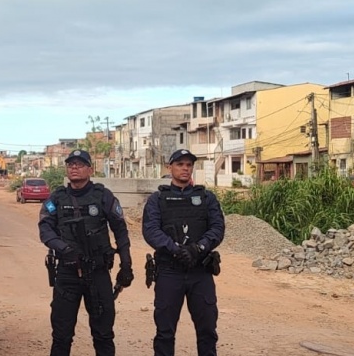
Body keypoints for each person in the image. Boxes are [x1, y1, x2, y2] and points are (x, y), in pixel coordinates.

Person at [38, 149, 134, 356]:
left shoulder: (103, 196)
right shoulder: (57, 197)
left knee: (103, 335)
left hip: (98, 272)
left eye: (80, 164)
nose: (74, 167)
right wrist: (64, 249)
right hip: (67, 273)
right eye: (71, 164)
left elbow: (120, 229)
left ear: (90, 169)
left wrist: (126, 264)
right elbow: (45, 228)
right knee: (61, 336)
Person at [142, 148, 226, 356]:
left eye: (189, 165)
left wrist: (198, 249)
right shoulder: (157, 200)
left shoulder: (206, 198)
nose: (185, 168)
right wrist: (176, 250)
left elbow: (217, 228)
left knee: (207, 330)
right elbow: (151, 230)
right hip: (170, 272)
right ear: (169, 168)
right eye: (180, 164)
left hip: (200, 272)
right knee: (165, 332)